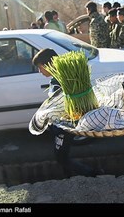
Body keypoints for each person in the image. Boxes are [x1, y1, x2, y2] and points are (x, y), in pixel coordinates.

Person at [32, 48, 102, 178]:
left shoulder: (60, 81)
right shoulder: (61, 77)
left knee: (61, 157)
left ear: (48, 65)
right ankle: (74, 178)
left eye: (40, 67)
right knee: (62, 156)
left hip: (63, 127)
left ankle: (92, 175)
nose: (39, 71)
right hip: (61, 125)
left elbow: (60, 105)